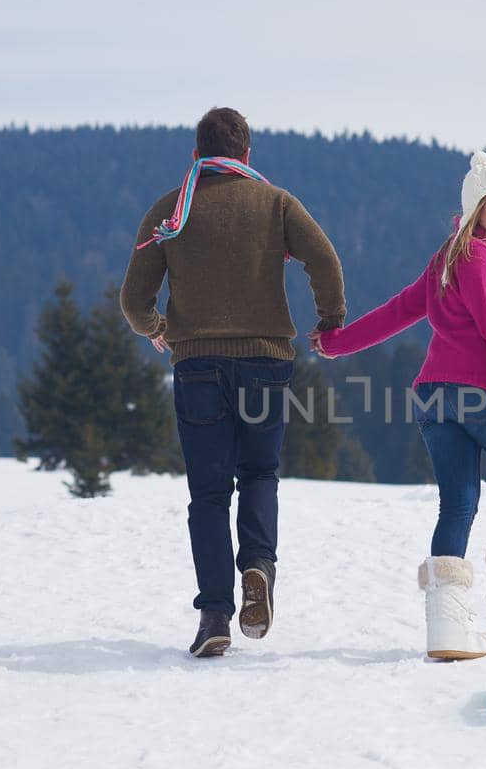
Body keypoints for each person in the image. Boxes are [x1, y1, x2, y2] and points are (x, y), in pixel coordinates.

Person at [120, 107, 346, 658]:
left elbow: (133, 301)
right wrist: (330, 320)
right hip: (267, 360)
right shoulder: (276, 203)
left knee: (208, 493)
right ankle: (259, 568)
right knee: (260, 472)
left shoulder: (172, 208)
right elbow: (325, 261)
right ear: (247, 156)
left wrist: (160, 330)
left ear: (197, 156)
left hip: (197, 365)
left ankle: (216, 615)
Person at [311, 150, 486, 661]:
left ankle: (446, 633)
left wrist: (337, 344)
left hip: (436, 398)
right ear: (475, 205)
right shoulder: (480, 257)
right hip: (484, 393)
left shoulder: (447, 260)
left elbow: (396, 313)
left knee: (458, 503)